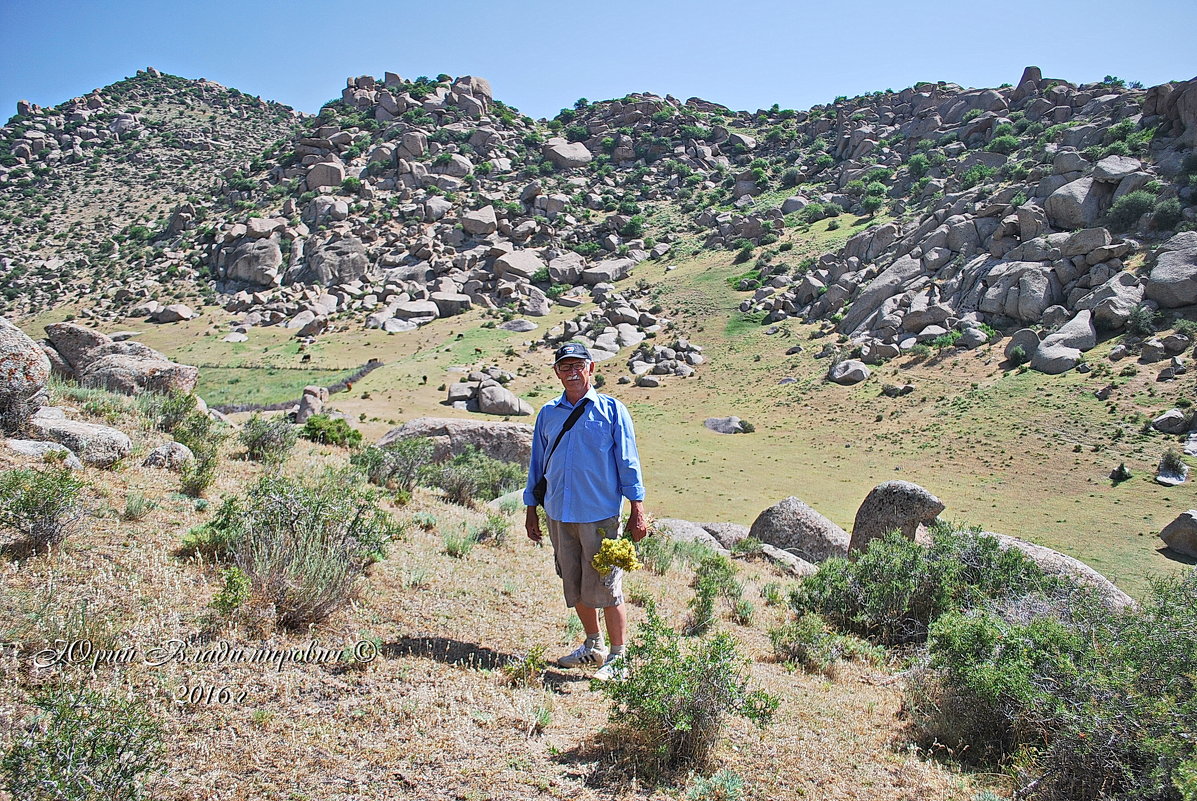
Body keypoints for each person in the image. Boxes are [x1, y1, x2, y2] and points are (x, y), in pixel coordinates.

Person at [524, 342, 647, 681]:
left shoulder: (612, 410)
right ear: (556, 372)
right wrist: (531, 508)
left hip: (601, 517)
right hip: (559, 514)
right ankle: (594, 646)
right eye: (565, 367)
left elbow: (628, 462)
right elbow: (537, 463)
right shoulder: (548, 413)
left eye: (579, 365)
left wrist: (637, 509)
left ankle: (618, 657)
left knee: (607, 587)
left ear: (592, 368)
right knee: (573, 581)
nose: (573, 372)